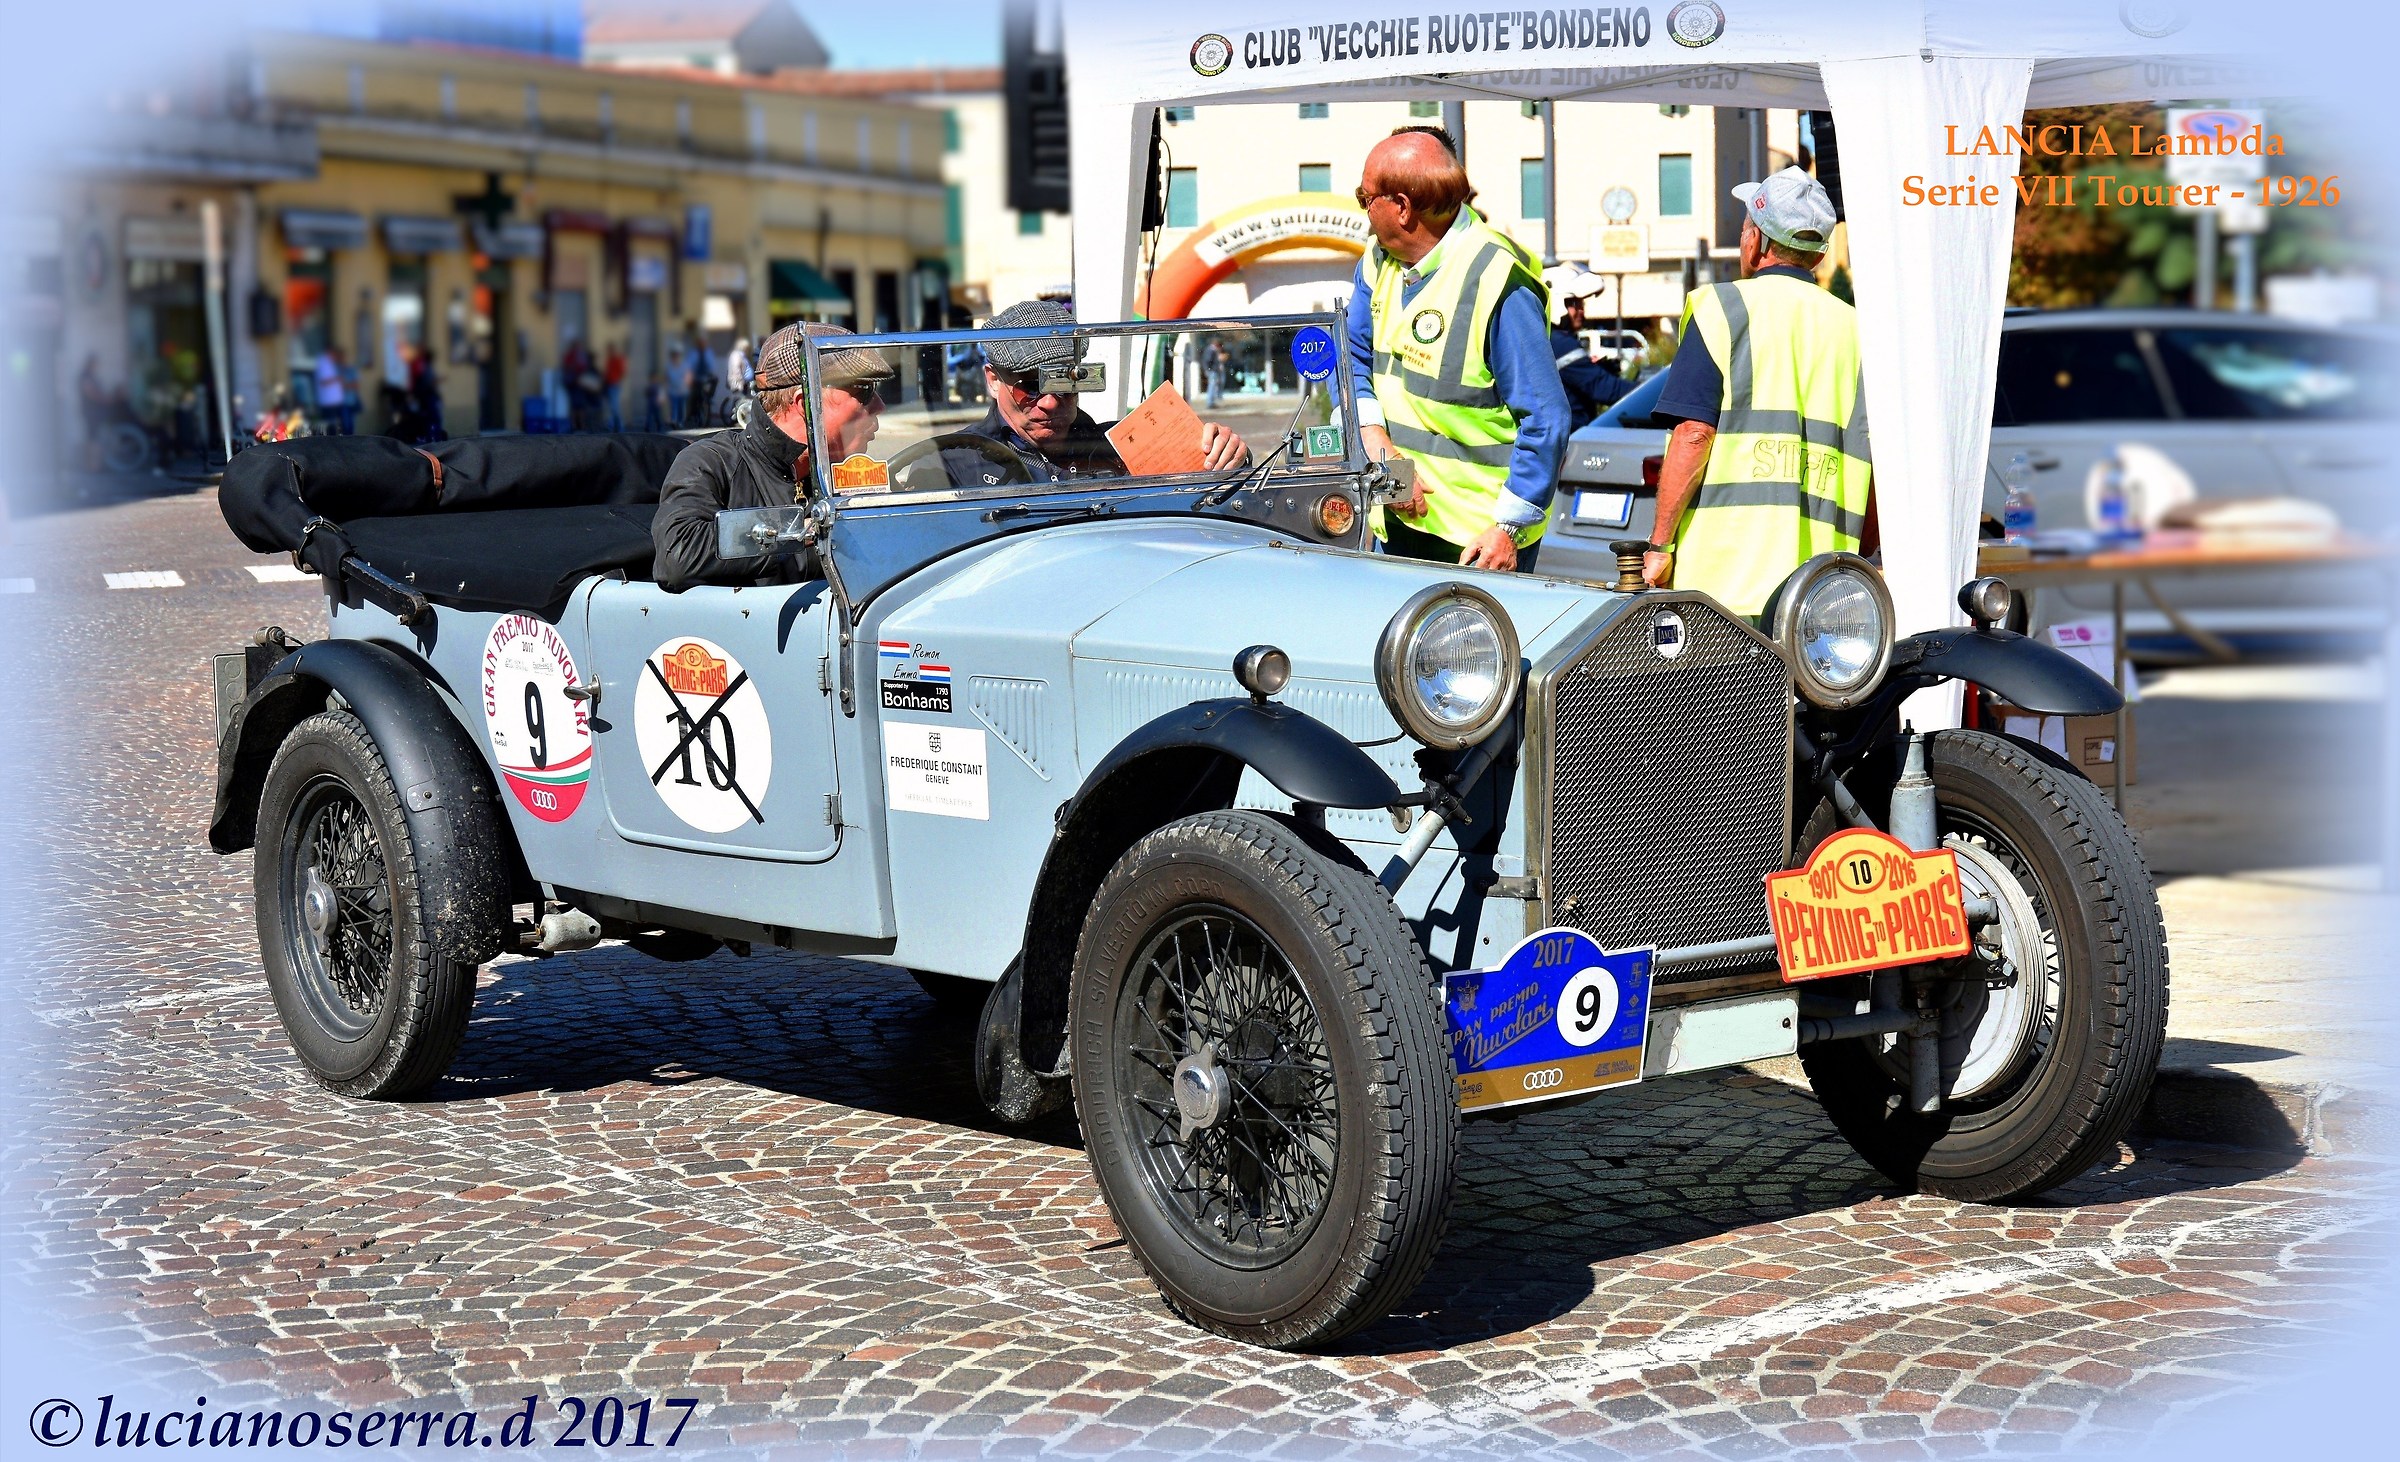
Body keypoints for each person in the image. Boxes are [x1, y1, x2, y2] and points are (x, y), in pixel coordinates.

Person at [1641, 166, 1872, 620]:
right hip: (1821, 592)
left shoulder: (1721, 309)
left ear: (1757, 241)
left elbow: (1692, 435)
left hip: (1723, 590)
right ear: (1819, 254)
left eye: (1747, 225)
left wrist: (1660, 544)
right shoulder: (1856, 328)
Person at [1346, 128, 1570, 572]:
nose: (1363, 211)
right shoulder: (1377, 260)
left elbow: (1547, 419)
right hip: (1397, 523)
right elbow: (1350, 360)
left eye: (1365, 197)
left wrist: (1509, 529)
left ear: (1403, 208)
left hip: (1480, 546)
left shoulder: (1496, 277)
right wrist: (1379, 446)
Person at [651, 322, 895, 589]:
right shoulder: (711, 462)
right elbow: (677, 556)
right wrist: (800, 531)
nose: (879, 406)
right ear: (807, 404)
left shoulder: (839, 474)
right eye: (863, 391)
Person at [936, 300, 1250, 488]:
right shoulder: (956, 461)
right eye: (1031, 387)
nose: (1049, 403)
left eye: (1066, 382)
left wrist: (1228, 456)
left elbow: (1214, 502)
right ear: (993, 380)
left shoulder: (1125, 443)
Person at [1551, 288, 1632, 433]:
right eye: (1573, 304)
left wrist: (1600, 369)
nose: (1581, 311)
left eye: (1581, 304)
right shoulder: (1560, 343)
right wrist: (1652, 392)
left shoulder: (1554, 339)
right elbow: (1604, 389)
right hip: (1571, 436)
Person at [314, 345, 354, 435]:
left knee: (339, 425)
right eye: (334, 354)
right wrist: (337, 379)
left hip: (336, 403)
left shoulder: (332, 364)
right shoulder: (323, 364)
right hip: (328, 403)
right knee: (331, 426)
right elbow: (324, 381)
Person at [602, 343, 628, 432]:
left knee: (615, 407)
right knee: (613, 407)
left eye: (609, 350)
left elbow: (622, 371)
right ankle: (614, 426)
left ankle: (617, 426)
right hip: (609, 384)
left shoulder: (617, 359)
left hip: (614, 384)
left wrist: (618, 381)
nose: (608, 352)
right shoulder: (610, 360)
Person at [666, 341, 691, 427]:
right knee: (674, 407)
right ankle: (674, 421)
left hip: (682, 390)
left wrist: (685, 383)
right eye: (674, 355)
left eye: (677, 355)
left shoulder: (684, 365)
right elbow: (668, 377)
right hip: (673, 390)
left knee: (681, 408)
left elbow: (688, 377)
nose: (675, 356)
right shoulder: (669, 366)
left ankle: (680, 422)